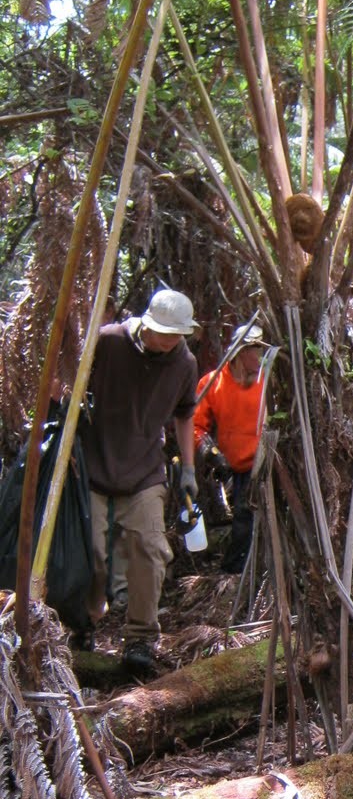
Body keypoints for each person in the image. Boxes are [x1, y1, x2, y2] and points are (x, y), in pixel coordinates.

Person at [80, 287, 198, 676]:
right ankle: (82, 624)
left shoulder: (184, 363)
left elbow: (184, 415)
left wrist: (189, 470)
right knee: (91, 553)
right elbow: (73, 385)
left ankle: (140, 638)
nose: (166, 342)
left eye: (174, 336)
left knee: (150, 549)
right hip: (94, 467)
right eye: (160, 333)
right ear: (145, 325)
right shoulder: (109, 341)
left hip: (146, 471)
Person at [193, 324, 270, 573]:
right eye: (254, 351)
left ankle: (258, 569)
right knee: (243, 520)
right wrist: (212, 455)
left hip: (267, 463)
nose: (259, 358)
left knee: (253, 520)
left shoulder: (268, 381)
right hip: (235, 467)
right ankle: (236, 572)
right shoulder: (213, 383)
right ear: (238, 353)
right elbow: (195, 425)